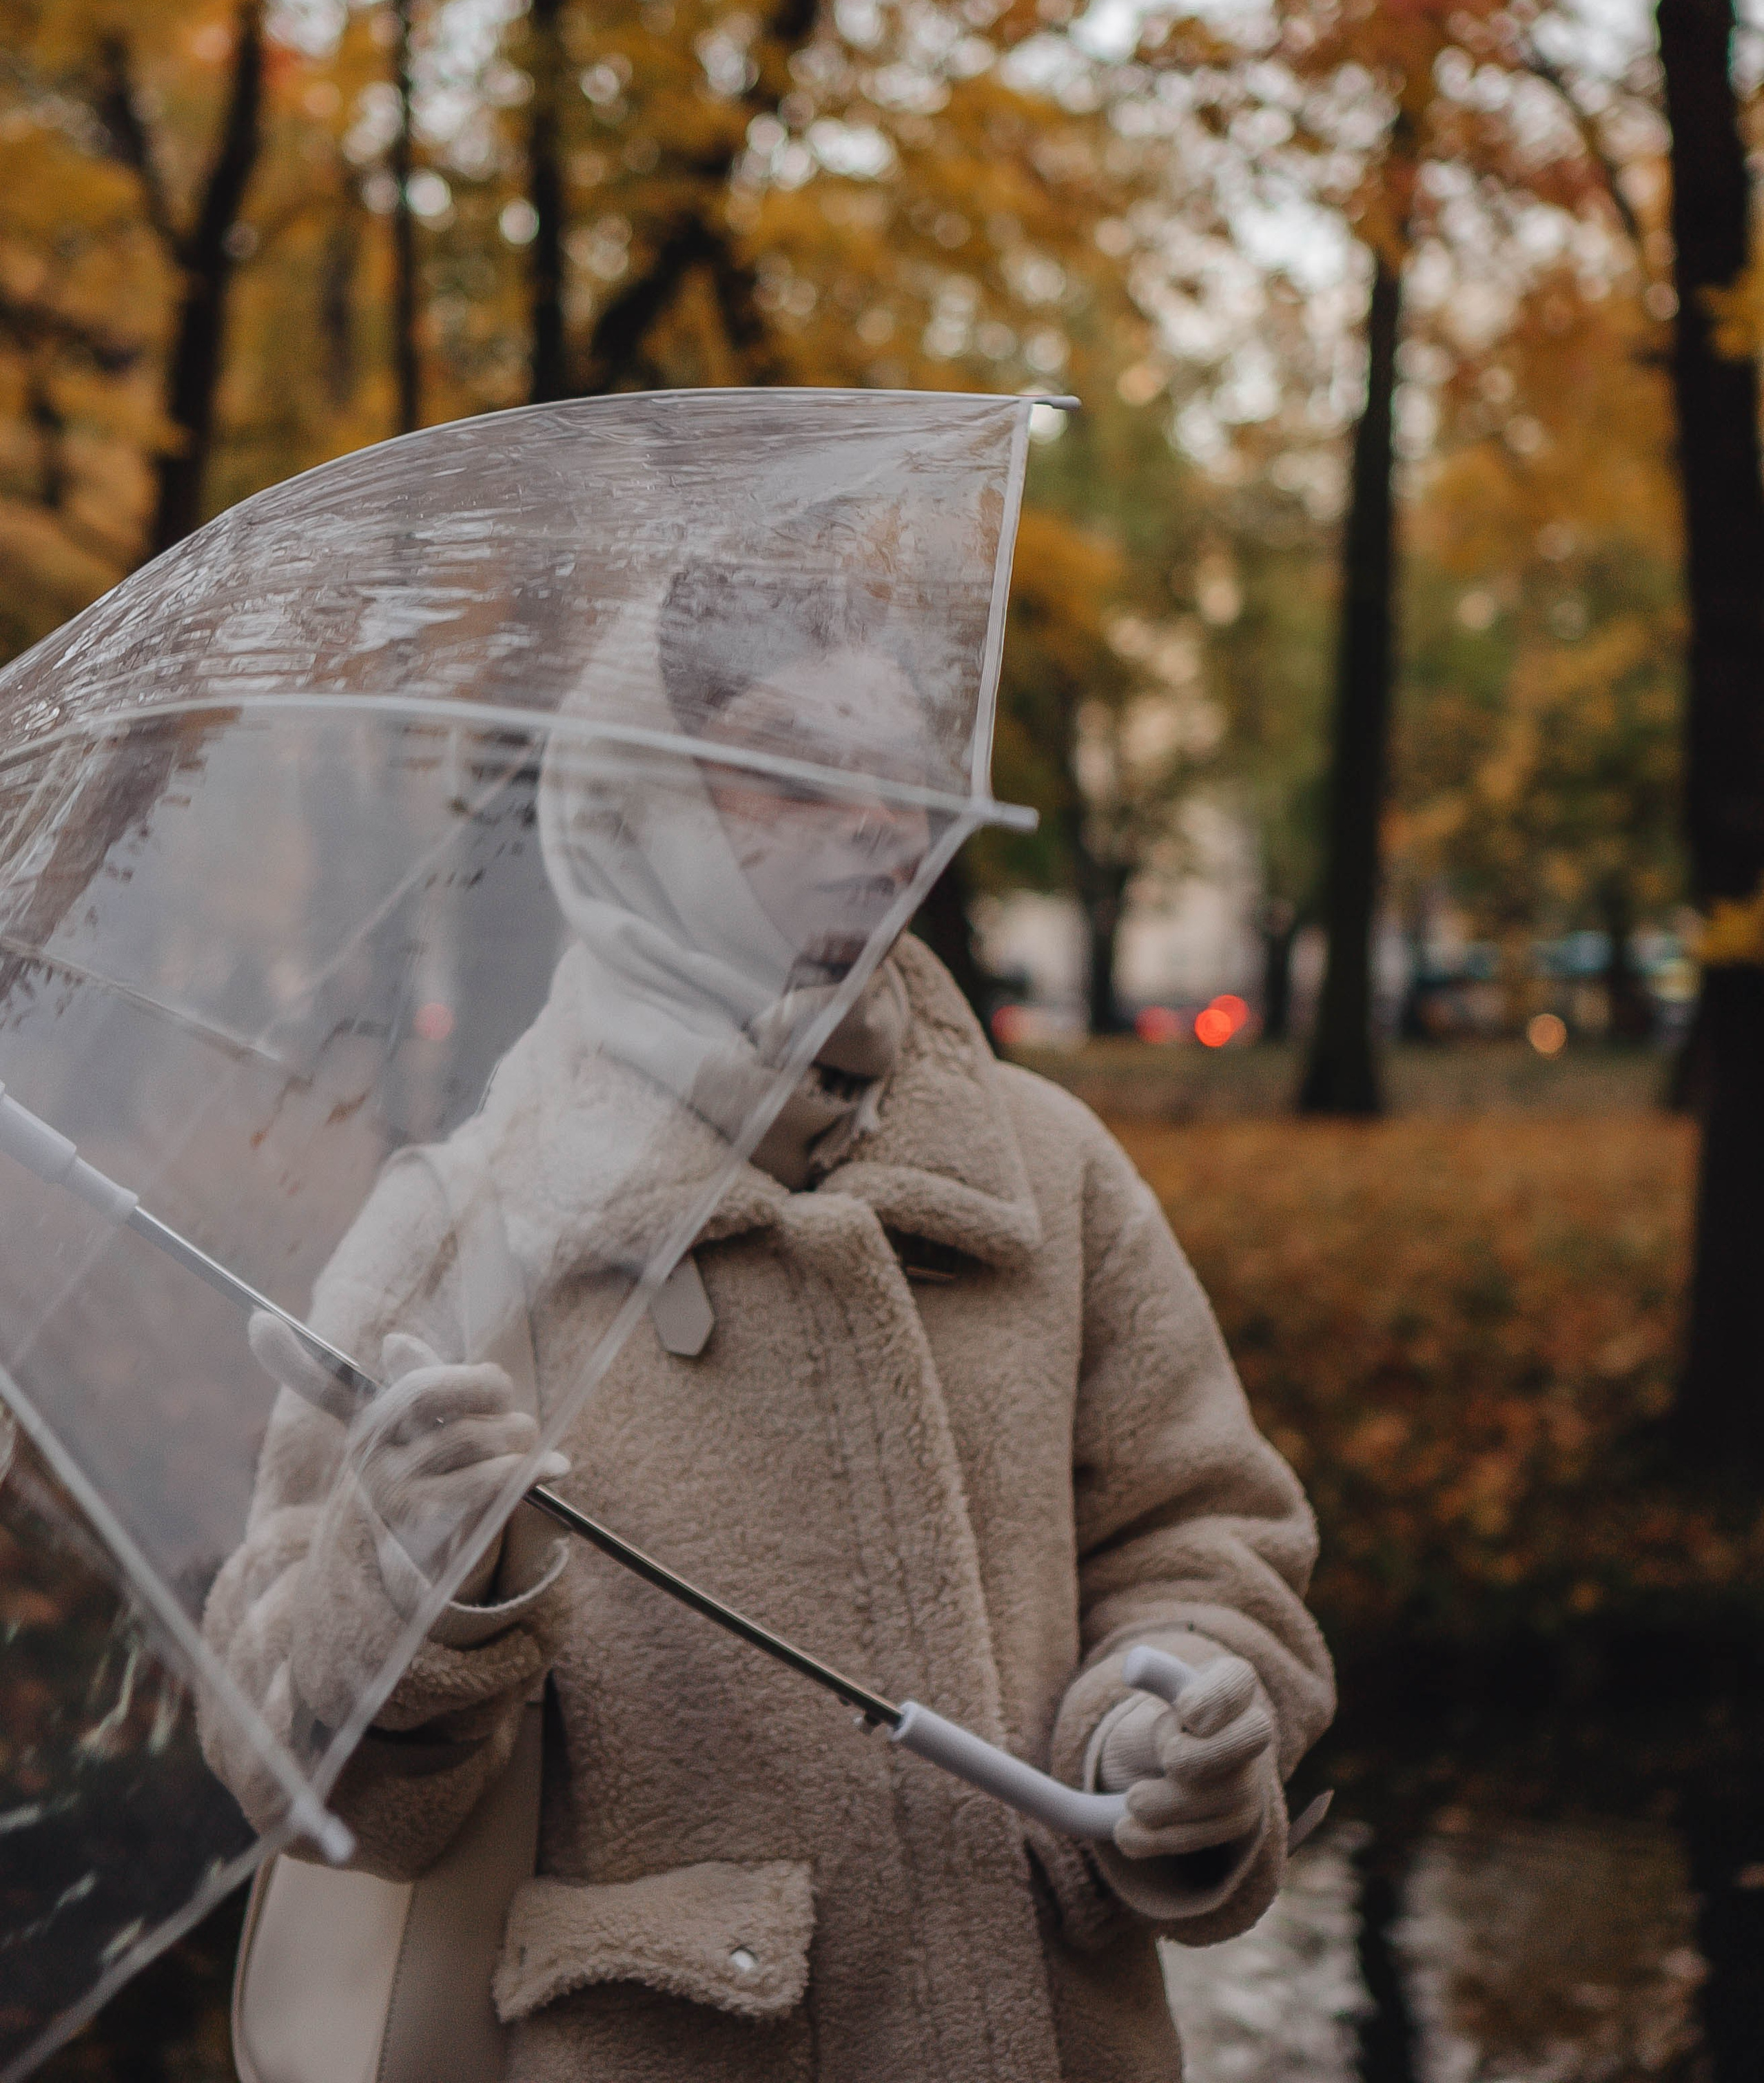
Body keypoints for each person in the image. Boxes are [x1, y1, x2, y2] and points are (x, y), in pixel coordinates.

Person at [203, 542, 1333, 2083]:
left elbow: (1199, 1535)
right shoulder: (469, 1226)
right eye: (791, 778)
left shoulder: (1047, 1168)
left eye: (901, 777)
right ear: (633, 809)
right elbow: (296, 1761)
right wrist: (396, 1590)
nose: (878, 828)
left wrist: (1162, 1726)